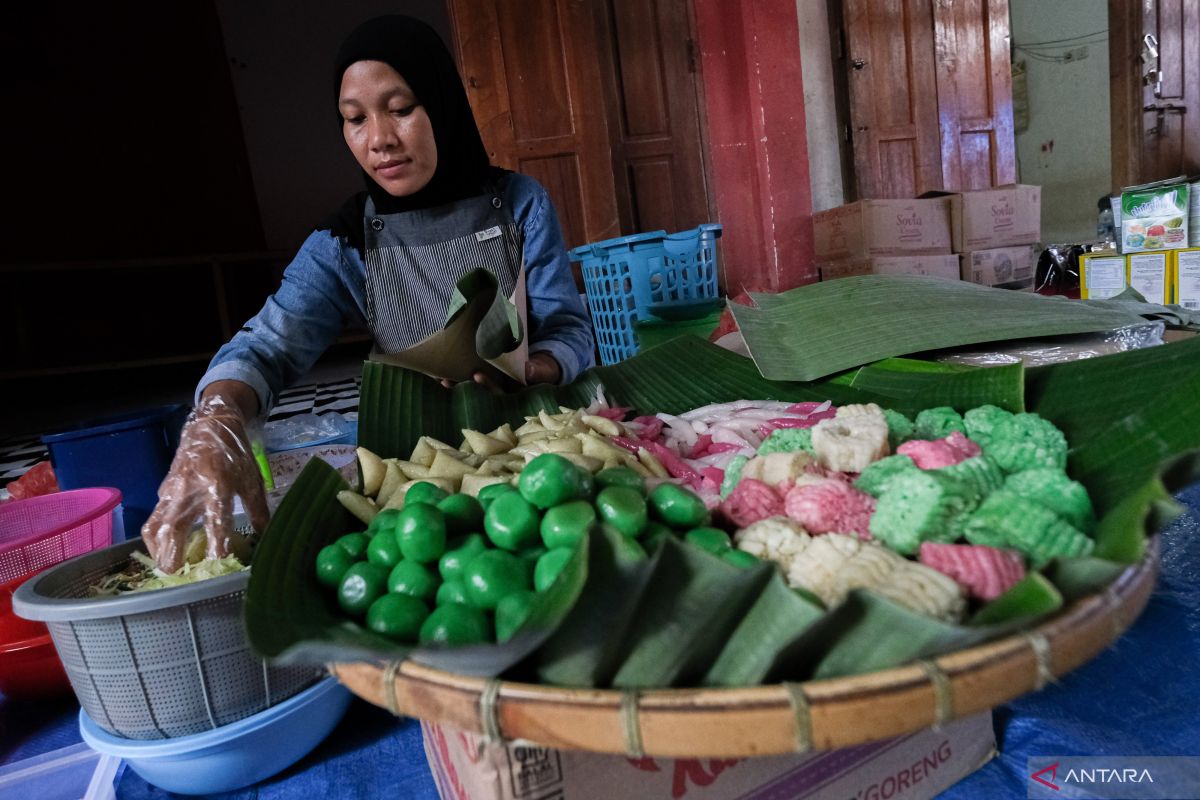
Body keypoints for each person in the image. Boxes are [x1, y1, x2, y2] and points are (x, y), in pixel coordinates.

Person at [142, 15, 595, 572]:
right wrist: (217, 416)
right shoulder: (346, 240)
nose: (379, 139)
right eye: (354, 119)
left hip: (536, 448)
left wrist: (538, 368)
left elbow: (569, 330)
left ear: (442, 104)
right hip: (423, 474)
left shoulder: (518, 203)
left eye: (401, 108)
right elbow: (267, 345)